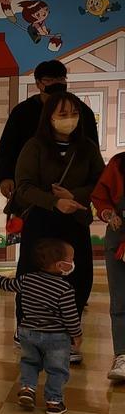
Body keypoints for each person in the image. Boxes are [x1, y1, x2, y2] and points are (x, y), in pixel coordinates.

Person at [12, 91, 104, 364]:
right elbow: (24, 187)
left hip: (75, 222)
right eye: (63, 114)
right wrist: (54, 202)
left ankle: (69, 338)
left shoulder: (87, 148)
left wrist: (73, 196)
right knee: (33, 277)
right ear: (49, 117)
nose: (69, 119)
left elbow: (100, 182)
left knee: (77, 277)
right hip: (41, 222)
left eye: (74, 114)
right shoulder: (34, 146)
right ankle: (28, 331)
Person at [0, 239, 81, 414]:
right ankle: (54, 401)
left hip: (28, 333)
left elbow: (6, 284)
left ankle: (28, 389)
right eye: (71, 259)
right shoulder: (65, 289)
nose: (73, 262)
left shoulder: (27, 280)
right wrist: (77, 335)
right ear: (60, 265)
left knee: (29, 362)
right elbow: (71, 317)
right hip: (56, 337)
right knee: (57, 369)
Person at [0, 60, 100, 197]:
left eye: (61, 79)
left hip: (73, 185)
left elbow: (92, 151)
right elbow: (8, 146)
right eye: (49, 80)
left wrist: (81, 192)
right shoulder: (23, 112)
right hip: (33, 186)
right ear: (38, 83)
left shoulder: (83, 111)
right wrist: (5, 176)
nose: (56, 84)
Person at [91, 152, 125, 382]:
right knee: (120, 299)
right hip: (119, 237)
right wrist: (108, 213)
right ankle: (122, 355)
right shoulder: (118, 163)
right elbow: (100, 197)